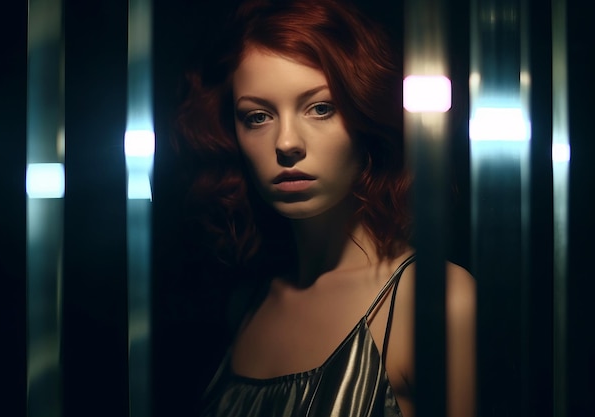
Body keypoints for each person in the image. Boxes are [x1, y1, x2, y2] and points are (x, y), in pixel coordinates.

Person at [176, 0, 476, 416]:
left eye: (320, 108)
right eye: (257, 116)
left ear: (365, 114)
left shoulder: (438, 302)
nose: (285, 143)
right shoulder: (246, 301)